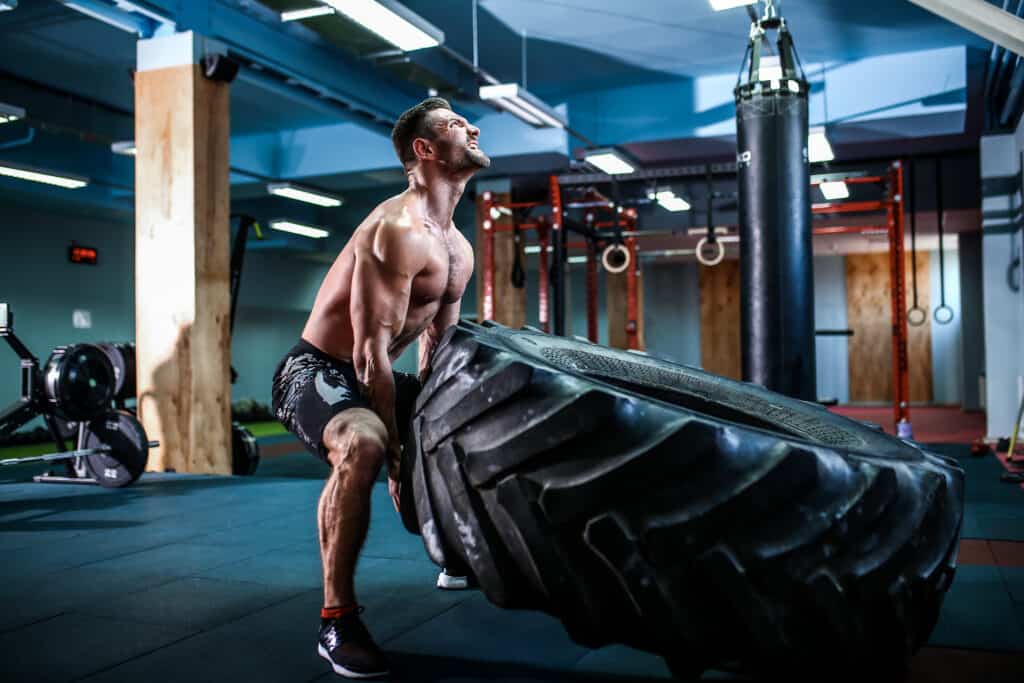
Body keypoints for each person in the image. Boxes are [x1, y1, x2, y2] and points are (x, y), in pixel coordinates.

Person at [271, 97, 489, 678]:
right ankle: (336, 620)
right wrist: (397, 455)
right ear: (425, 150)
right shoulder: (395, 229)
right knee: (365, 443)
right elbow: (368, 357)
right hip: (316, 371)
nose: (470, 128)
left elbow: (436, 348)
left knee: (472, 417)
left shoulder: (458, 249)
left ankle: (452, 552)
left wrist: (440, 424)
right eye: (452, 126)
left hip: (380, 373)